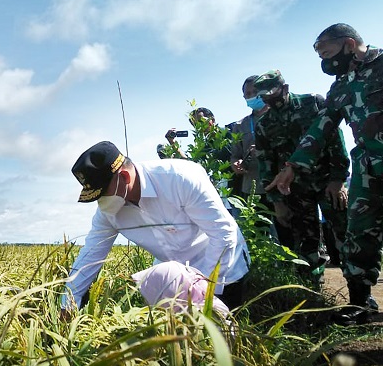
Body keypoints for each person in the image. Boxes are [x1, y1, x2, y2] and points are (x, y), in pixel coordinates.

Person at [266, 23, 381, 324]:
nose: (325, 62)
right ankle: (361, 303)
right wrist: (291, 166)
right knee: (359, 234)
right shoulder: (341, 85)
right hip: (369, 168)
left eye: (328, 53)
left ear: (349, 44)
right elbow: (322, 127)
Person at [64, 141, 250, 313]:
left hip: (220, 272)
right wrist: (68, 303)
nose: (102, 202)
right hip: (175, 283)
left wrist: (207, 295)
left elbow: (223, 233)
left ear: (125, 176)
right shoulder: (108, 213)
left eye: (103, 193)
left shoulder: (179, 179)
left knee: (222, 335)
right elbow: (90, 256)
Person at [253, 69, 349, 281]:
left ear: (285, 88)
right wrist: (277, 202)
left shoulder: (313, 104)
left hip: (327, 183)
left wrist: (338, 179)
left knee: (345, 237)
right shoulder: (264, 125)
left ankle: (359, 296)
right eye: (264, 95)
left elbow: (334, 139)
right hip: (296, 191)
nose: (269, 98)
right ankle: (311, 293)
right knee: (305, 244)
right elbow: (266, 165)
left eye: (273, 92)